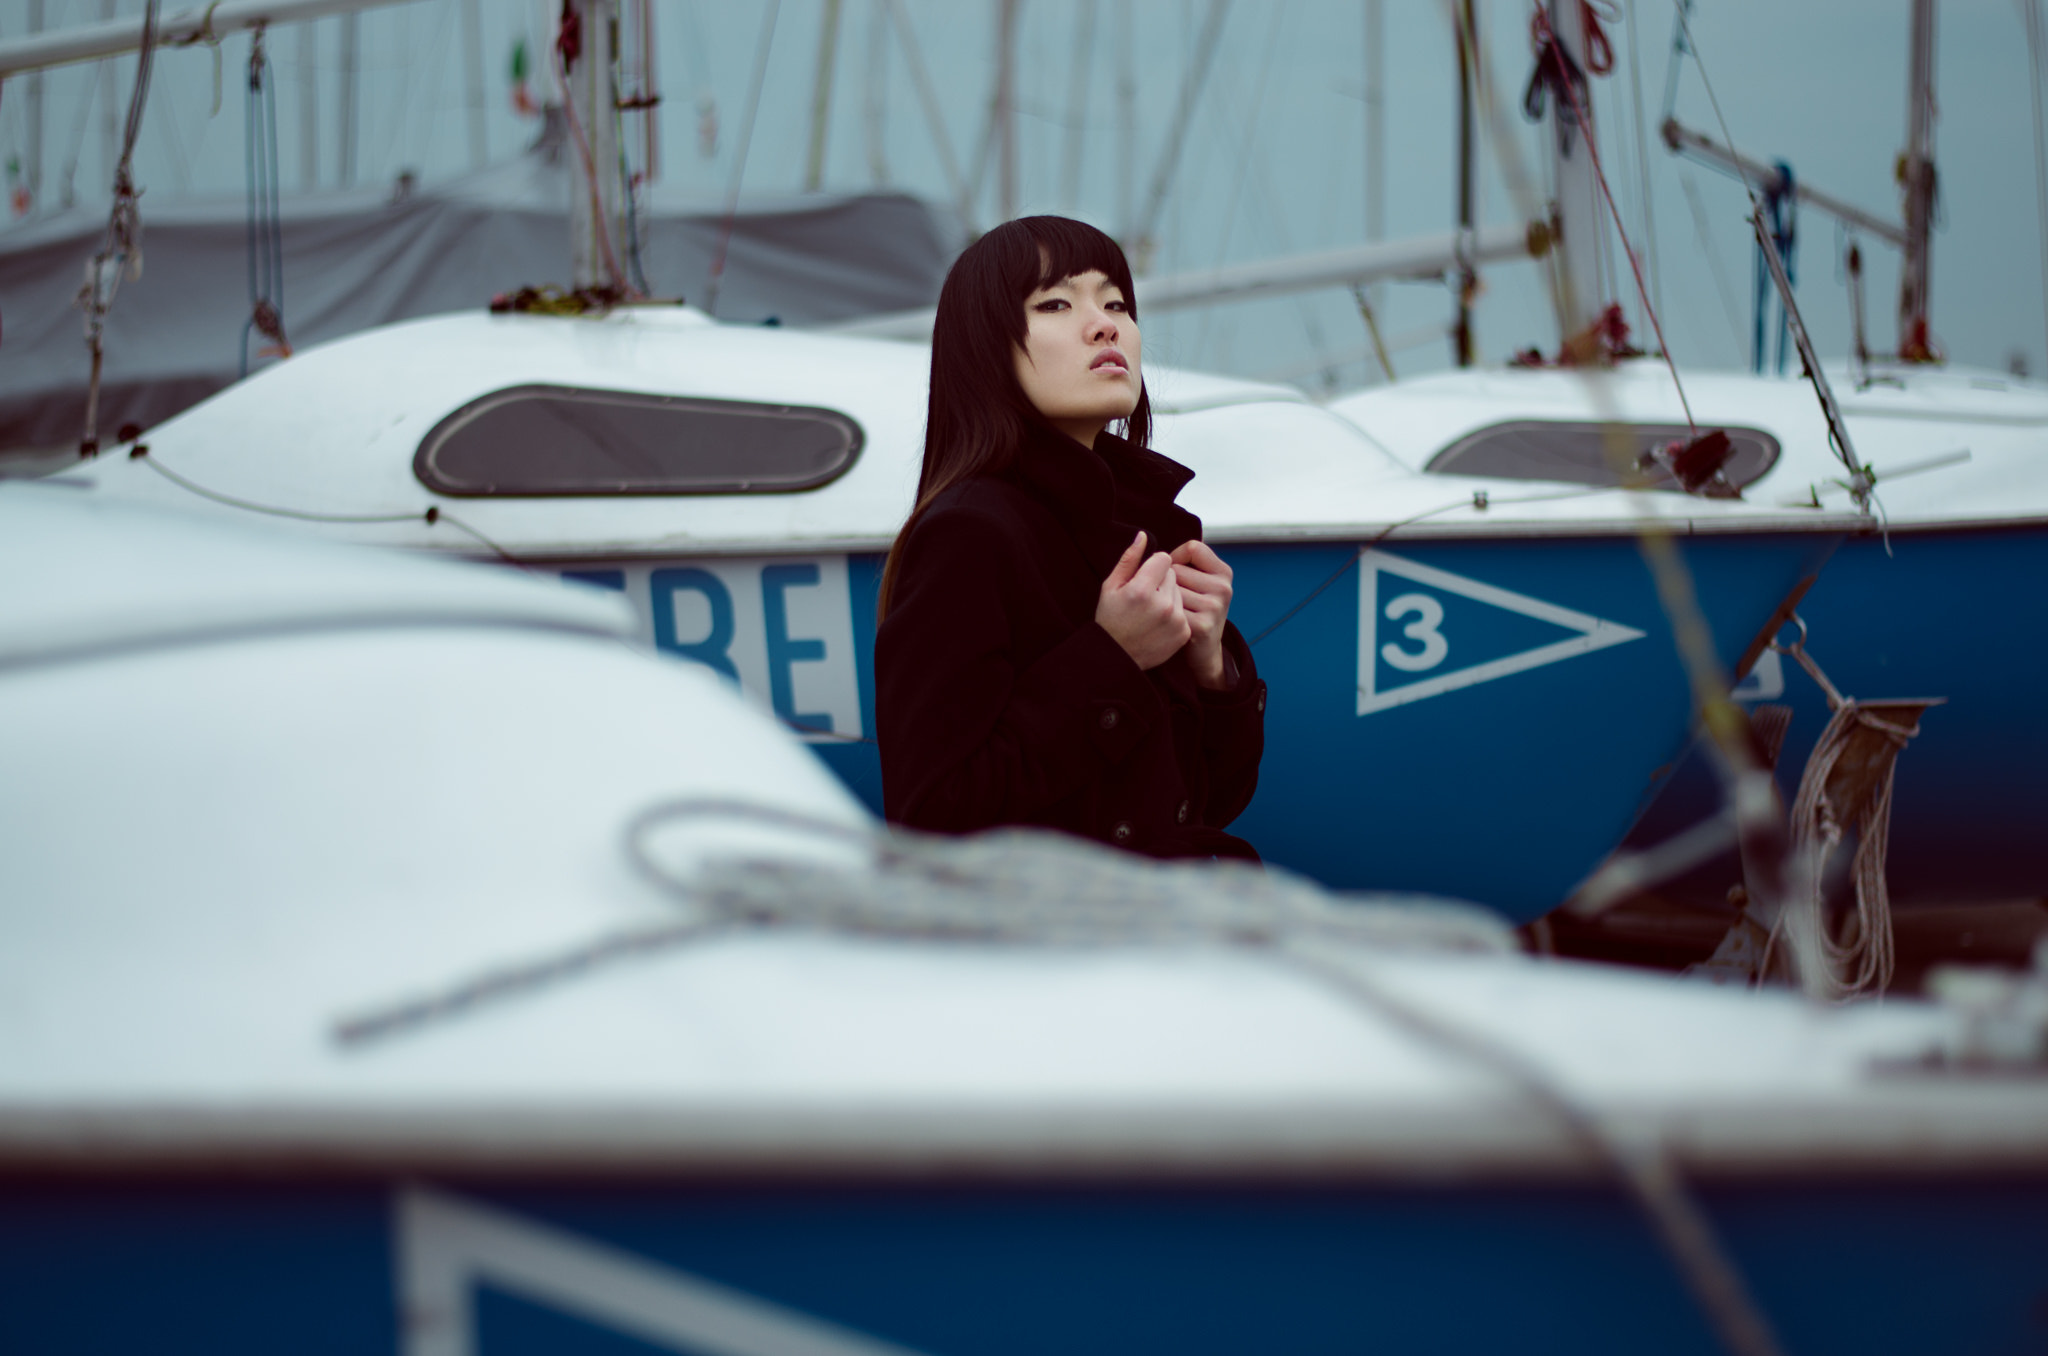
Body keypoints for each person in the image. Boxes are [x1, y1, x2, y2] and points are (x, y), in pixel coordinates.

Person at [874, 216, 1266, 861]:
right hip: (1063, 948)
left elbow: (1209, 800)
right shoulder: (968, 533)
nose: (1106, 324)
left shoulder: (1146, 526)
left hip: (1180, 931)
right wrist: (1112, 655)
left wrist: (1214, 670)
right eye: (1055, 303)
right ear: (984, 348)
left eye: (1115, 303)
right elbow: (931, 815)